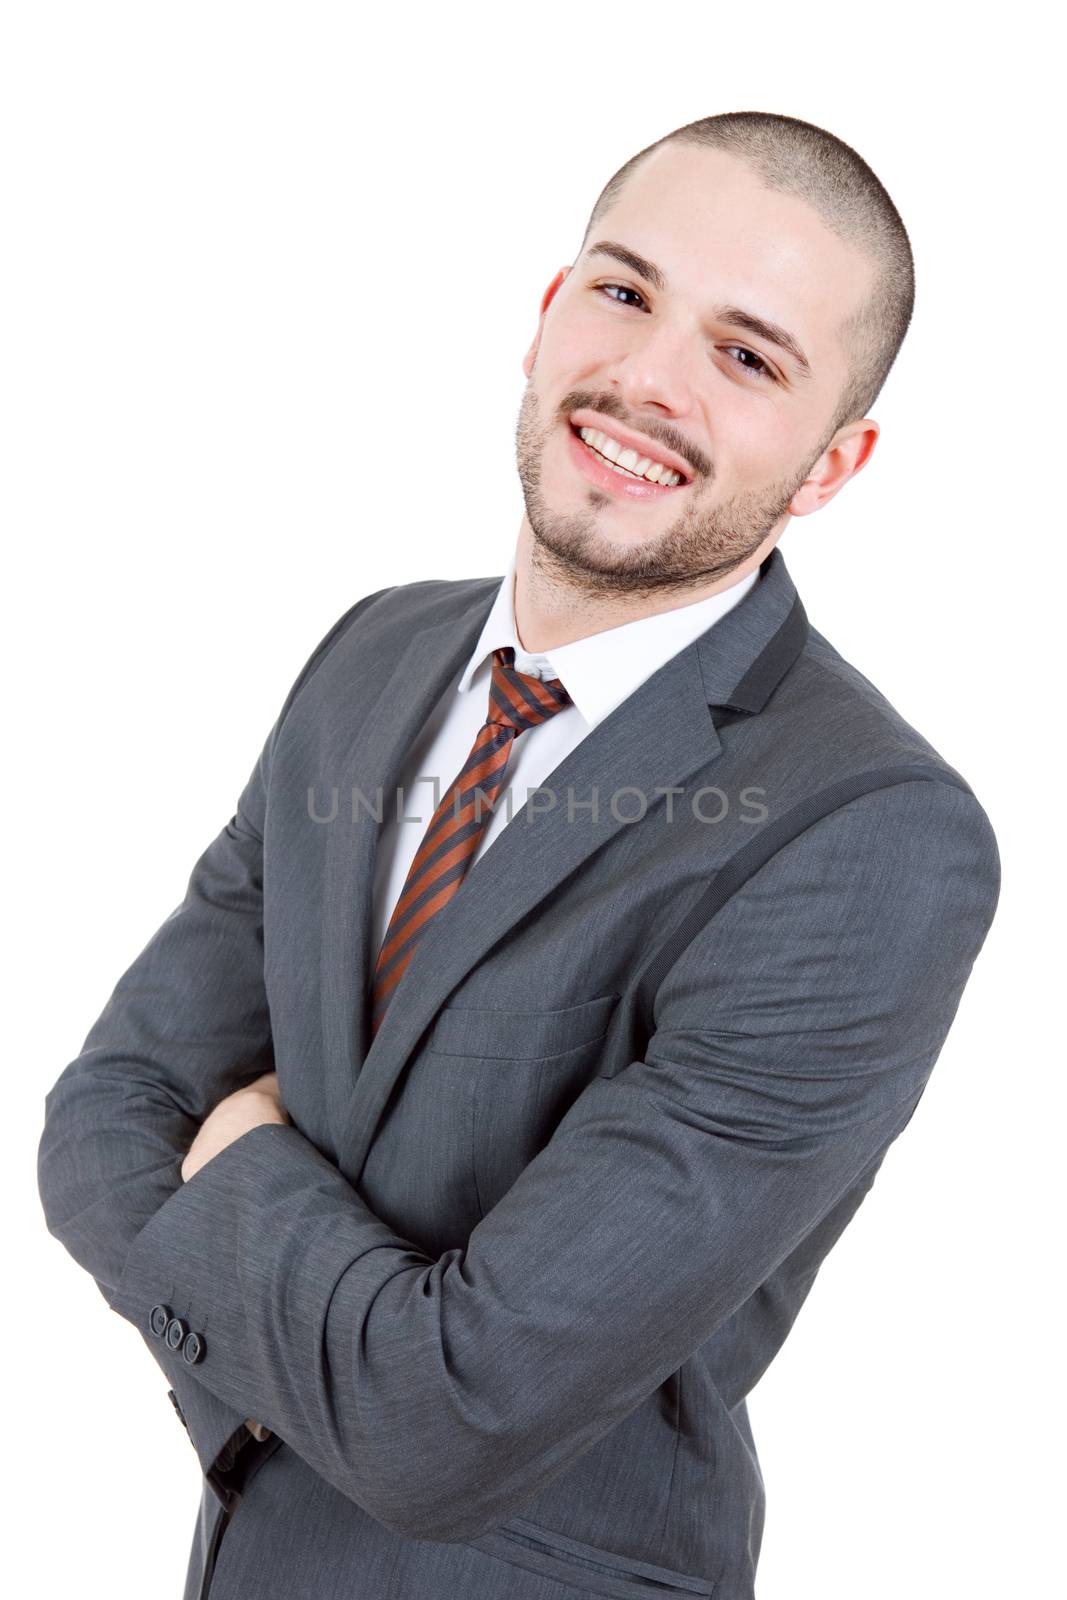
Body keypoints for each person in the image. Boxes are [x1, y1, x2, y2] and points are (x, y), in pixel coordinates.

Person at [37, 110, 1001, 1600]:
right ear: (549, 314)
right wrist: (343, 1346)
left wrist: (237, 1162)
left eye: (748, 357)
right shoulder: (370, 657)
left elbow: (454, 1421)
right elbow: (99, 1121)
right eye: (625, 293)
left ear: (832, 462)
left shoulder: (870, 833)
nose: (649, 379)